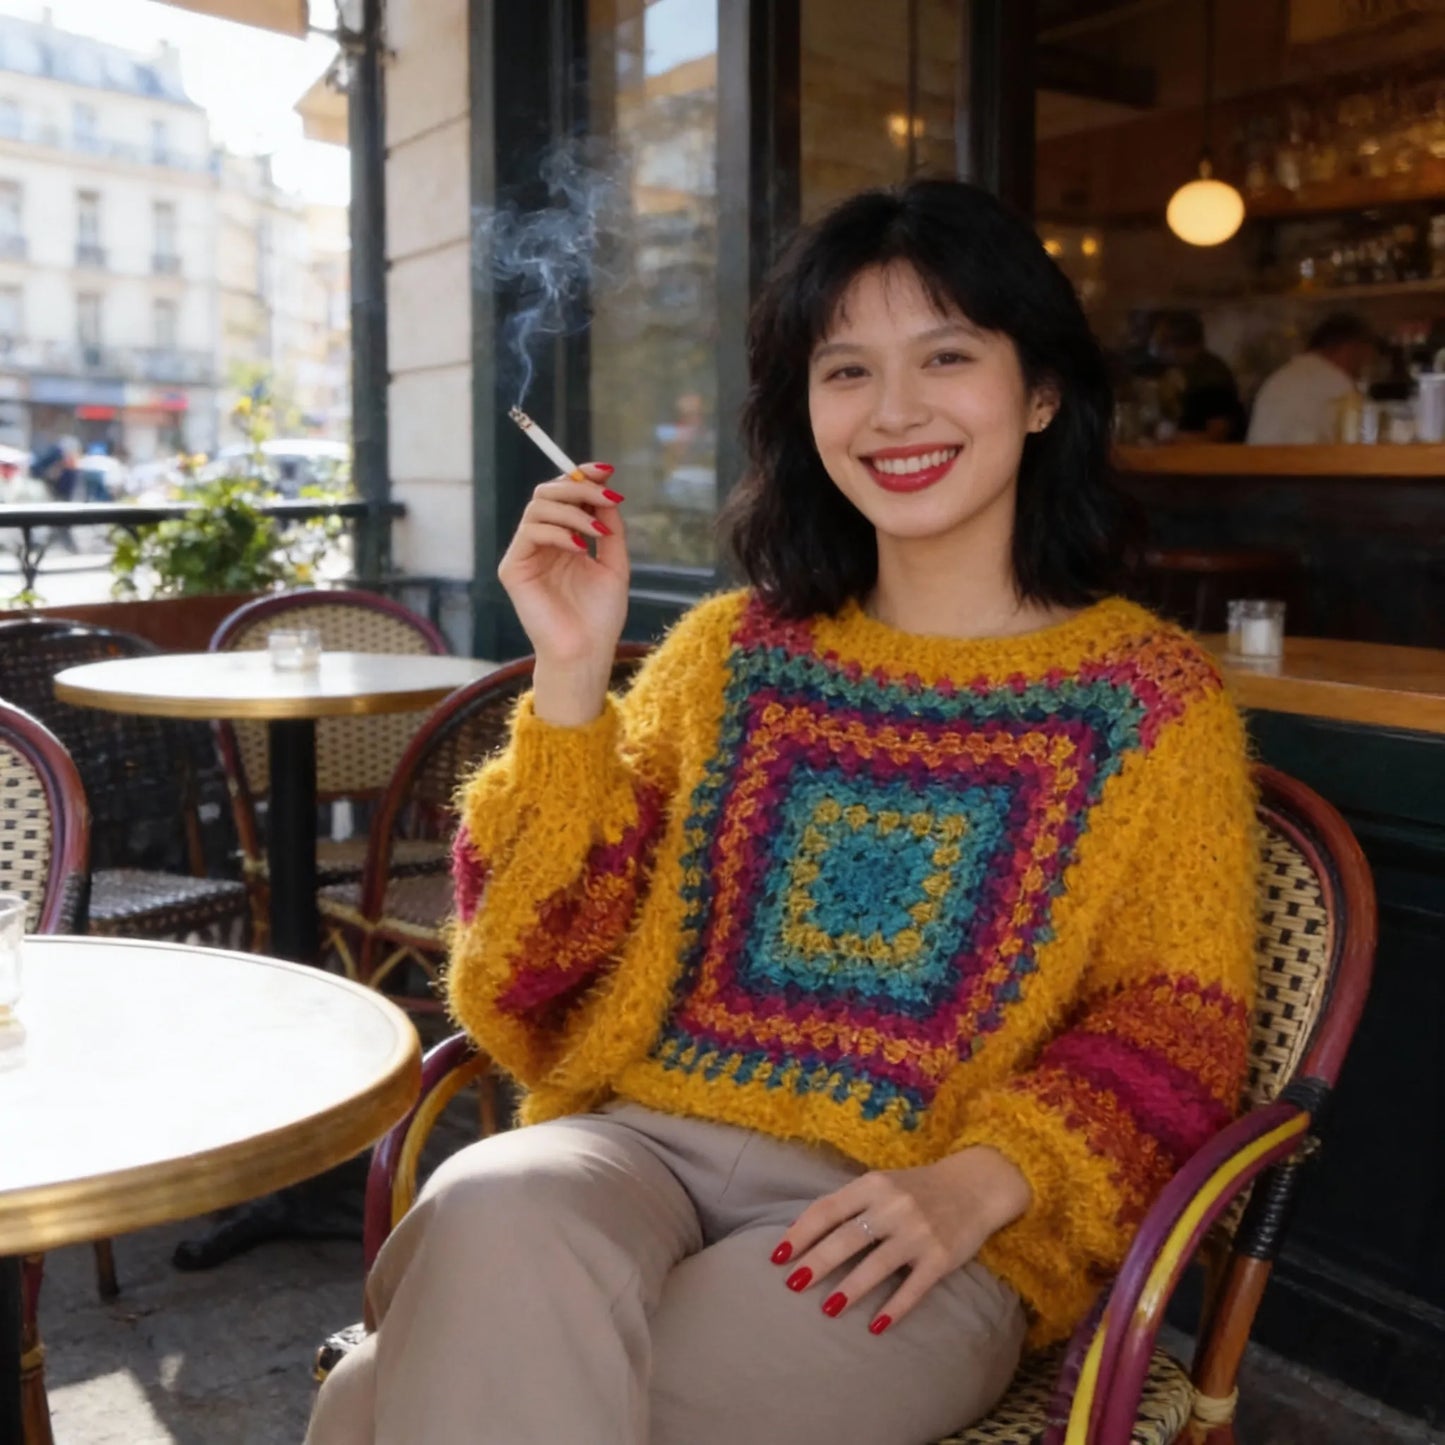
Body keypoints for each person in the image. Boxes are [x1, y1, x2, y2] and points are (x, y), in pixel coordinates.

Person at [306, 180, 1257, 1445]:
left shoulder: (1144, 701)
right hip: (636, 1154)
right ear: (803, 411)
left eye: (946, 356)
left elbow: (1176, 1027)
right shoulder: (728, 656)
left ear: (1040, 392)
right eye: (844, 369)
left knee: (392, 1393)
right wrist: (570, 676)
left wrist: (984, 1180)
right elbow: (516, 975)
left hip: (905, 1219)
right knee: (492, 1200)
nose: (893, 409)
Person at [1246, 312, 1377, 445]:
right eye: (1364, 358)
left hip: (1258, 458)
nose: (1362, 367)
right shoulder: (1336, 382)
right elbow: (1355, 444)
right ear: (1351, 349)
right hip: (1300, 458)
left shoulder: (1281, 377)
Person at [1148, 309, 1246, 441]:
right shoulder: (1186, 370)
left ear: (1177, 345)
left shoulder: (1212, 377)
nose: (1158, 351)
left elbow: (1216, 436)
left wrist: (1170, 439)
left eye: (1162, 343)